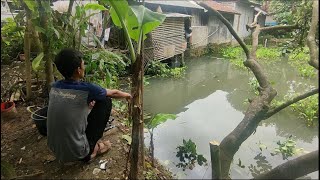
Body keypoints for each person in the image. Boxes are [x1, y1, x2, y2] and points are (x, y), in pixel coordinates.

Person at [47, 48, 132, 163]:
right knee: (105, 101)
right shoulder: (87, 89)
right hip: (79, 153)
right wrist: (128, 95)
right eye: (83, 65)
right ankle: (92, 150)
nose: (84, 67)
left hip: (54, 149)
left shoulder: (54, 87)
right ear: (78, 70)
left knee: (91, 104)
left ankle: (82, 146)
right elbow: (114, 93)